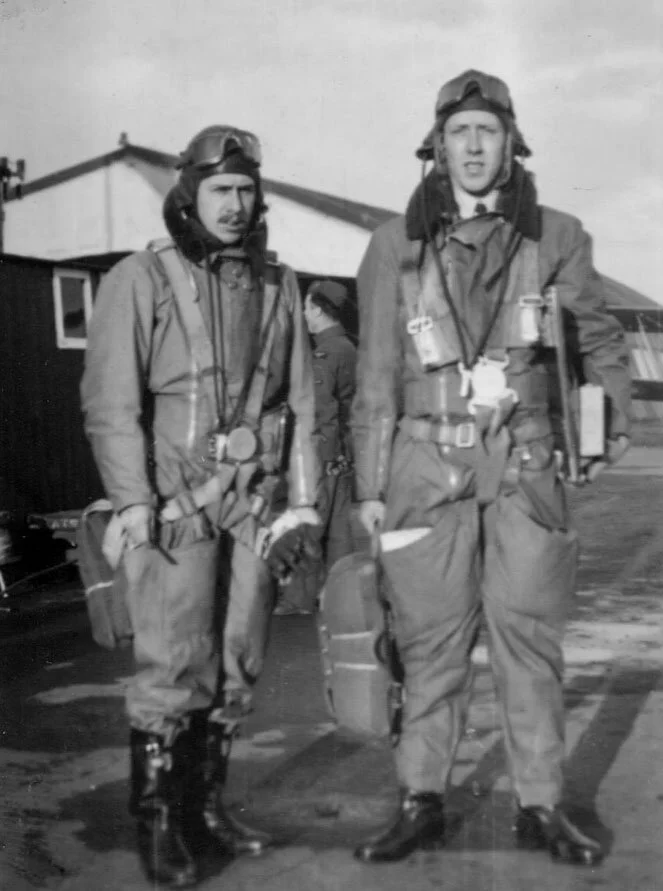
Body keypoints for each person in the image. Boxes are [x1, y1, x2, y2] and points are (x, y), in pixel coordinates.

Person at [350, 70, 631, 866]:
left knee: (529, 641)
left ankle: (541, 804)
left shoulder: (558, 235)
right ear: (436, 146)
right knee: (430, 641)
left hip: (525, 462)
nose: (473, 148)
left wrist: (598, 433)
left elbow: (601, 345)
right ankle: (420, 798)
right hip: (422, 466)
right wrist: (369, 489)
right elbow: (374, 373)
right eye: (459, 133)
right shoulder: (391, 244)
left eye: (488, 131)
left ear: (512, 142)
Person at [81, 125, 320, 887]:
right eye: (221, 189)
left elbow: (305, 404)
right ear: (189, 193)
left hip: (251, 507)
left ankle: (204, 807)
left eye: (247, 190)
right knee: (172, 665)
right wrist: (133, 504)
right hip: (174, 508)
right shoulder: (139, 279)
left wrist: (306, 504)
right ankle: (158, 821)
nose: (236, 205)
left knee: (238, 660)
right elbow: (111, 406)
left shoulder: (280, 285)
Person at [274, 279, 358, 615]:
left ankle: (299, 598)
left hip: (323, 451)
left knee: (309, 523)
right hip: (343, 453)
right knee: (340, 533)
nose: (304, 314)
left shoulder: (325, 353)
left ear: (320, 311)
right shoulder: (350, 347)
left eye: (307, 307)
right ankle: (343, 595)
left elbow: (317, 409)